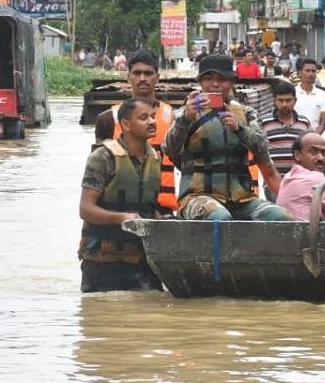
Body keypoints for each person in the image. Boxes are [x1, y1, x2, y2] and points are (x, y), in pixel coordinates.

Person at [163, 54, 293, 221]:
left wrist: (240, 129)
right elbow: (169, 148)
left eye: (222, 79)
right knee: (220, 217)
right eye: (209, 79)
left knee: (281, 217)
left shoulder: (246, 113)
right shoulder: (183, 113)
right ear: (200, 82)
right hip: (196, 197)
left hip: (242, 199)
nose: (215, 84)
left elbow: (262, 149)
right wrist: (186, 119)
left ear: (231, 82)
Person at [78, 98, 164, 293]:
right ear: (125, 124)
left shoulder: (155, 158)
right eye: (143, 118)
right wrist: (122, 218)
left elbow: (147, 204)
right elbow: (85, 209)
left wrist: (159, 219)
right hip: (103, 262)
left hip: (142, 260)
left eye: (152, 116)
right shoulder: (102, 157)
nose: (151, 121)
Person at [95, 49, 179, 214]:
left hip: (162, 211)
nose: (142, 78)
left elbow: (187, 168)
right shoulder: (107, 120)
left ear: (157, 78)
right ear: (128, 77)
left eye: (148, 73)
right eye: (137, 73)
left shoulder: (175, 120)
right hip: (117, 211)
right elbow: (96, 176)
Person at [260, 81, 312, 200]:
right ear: (275, 100)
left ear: (295, 101)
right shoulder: (263, 122)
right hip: (273, 182)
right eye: (281, 100)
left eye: (288, 100)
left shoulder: (304, 123)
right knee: (279, 216)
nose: (284, 104)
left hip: (300, 182)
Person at [294, 57, 325, 134]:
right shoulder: (293, 93)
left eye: (313, 71)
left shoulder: (322, 94)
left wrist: (314, 137)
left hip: (316, 137)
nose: (310, 74)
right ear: (299, 73)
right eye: (307, 71)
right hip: (295, 138)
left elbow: (324, 121)